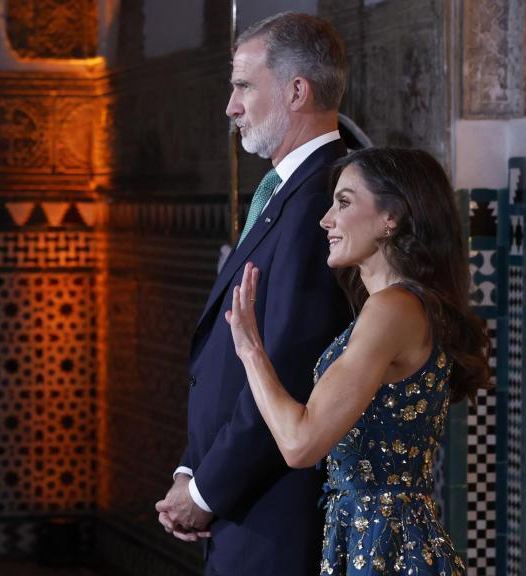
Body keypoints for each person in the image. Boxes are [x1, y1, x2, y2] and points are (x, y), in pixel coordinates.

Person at [225, 147, 491, 575]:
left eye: (344, 202)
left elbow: (300, 443)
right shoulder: (400, 306)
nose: (325, 219)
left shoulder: (393, 309)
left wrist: (250, 351)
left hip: (387, 547)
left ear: (392, 218)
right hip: (374, 538)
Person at [154, 12, 353, 576]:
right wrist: (192, 471)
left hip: (274, 515)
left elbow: (290, 363)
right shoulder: (283, 191)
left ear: (296, 90)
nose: (230, 106)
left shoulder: (322, 198)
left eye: (242, 85)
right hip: (240, 503)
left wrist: (209, 492)